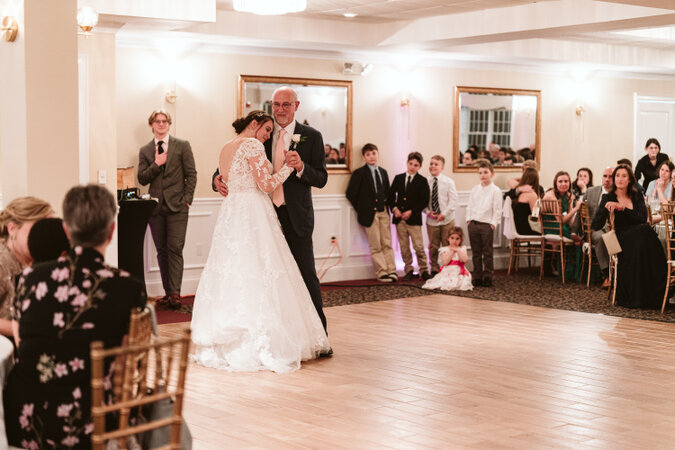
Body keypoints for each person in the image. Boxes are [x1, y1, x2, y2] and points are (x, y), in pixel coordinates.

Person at [4, 184, 146, 449]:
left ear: (67, 230)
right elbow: (126, 366)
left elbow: (23, 347)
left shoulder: (30, 278)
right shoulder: (129, 288)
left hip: (26, 418)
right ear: (111, 231)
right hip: (90, 422)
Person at [191, 111, 330, 373]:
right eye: (266, 130)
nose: (268, 136)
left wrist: (300, 166)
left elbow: (231, 172)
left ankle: (229, 335)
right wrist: (288, 167)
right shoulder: (253, 144)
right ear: (254, 124)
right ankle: (266, 337)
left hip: (233, 213)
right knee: (263, 270)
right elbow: (265, 185)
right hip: (254, 213)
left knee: (235, 270)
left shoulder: (226, 145)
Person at [213, 86, 330, 337]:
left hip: (296, 215)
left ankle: (317, 334)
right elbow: (232, 162)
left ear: (296, 106)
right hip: (261, 216)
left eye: (286, 104)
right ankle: (278, 334)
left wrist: (301, 167)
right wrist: (216, 180)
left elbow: (321, 178)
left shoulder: (311, 136)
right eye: (276, 104)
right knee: (265, 276)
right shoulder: (259, 135)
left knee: (304, 273)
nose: (280, 110)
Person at [137, 108, 197, 308]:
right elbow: (142, 178)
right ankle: (168, 292)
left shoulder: (182, 145)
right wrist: (156, 163)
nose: (161, 124)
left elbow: (191, 174)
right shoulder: (145, 150)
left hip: (178, 206)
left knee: (175, 249)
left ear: (169, 124)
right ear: (152, 125)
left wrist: (187, 199)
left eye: (165, 121)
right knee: (161, 251)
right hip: (155, 208)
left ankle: (176, 294)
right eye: (157, 121)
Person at [591, 165, 666, 308]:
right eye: (617, 175)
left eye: (624, 176)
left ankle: (656, 288)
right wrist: (605, 209)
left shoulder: (636, 195)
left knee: (645, 232)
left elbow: (642, 218)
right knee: (645, 233)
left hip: (639, 236)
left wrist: (622, 208)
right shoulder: (608, 197)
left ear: (630, 179)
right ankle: (647, 290)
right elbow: (596, 224)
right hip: (621, 237)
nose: (620, 179)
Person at [0, 197, 53, 338]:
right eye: (36, 230)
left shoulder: (41, 260)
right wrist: (22, 330)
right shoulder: (2, 262)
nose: (43, 237)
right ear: (12, 229)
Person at [346, 143, 397, 282]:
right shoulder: (359, 173)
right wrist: (362, 209)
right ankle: (382, 271)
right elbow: (351, 194)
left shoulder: (383, 172)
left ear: (378, 154)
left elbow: (388, 193)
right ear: (364, 157)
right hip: (370, 214)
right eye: (368, 154)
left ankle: (392, 270)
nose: (372, 157)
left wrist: (391, 208)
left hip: (383, 212)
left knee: (387, 242)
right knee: (376, 244)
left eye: (374, 153)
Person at [387, 152, 430, 281]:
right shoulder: (398, 178)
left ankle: (424, 270)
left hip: (414, 219)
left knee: (418, 246)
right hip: (400, 219)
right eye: (410, 164)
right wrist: (395, 209)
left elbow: (424, 200)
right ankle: (409, 269)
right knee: (404, 247)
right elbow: (390, 196)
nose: (412, 167)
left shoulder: (422, 181)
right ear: (407, 163)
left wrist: (412, 211)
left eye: (416, 165)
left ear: (420, 166)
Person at [466, 159, 502, 287]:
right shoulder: (475, 189)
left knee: (487, 252)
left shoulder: (495, 190)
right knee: (476, 253)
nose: (483, 175)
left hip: (487, 224)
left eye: (485, 172)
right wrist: (468, 220)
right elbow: (470, 206)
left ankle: (488, 276)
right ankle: (477, 276)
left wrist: (493, 224)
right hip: (473, 223)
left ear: (492, 173)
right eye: (480, 173)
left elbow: (497, 209)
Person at [424, 155, 458, 277]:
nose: (433, 166)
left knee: (447, 245)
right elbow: (422, 201)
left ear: (442, 167)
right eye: (431, 164)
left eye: (436, 164)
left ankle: (448, 268)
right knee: (433, 246)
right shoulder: (425, 182)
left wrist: (444, 214)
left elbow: (453, 201)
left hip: (447, 220)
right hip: (432, 221)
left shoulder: (448, 182)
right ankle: (434, 268)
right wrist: (428, 212)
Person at [585, 166, 614, 287]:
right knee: (603, 238)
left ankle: (617, 275)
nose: (607, 179)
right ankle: (607, 274)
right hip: (595, 228)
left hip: (612, 228)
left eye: (610, 177)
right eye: (605, 176)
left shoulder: (618, 193)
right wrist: (575, 232)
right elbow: (581, 213)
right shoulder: (591, 191)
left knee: (614, 238)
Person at [422, 227, 472, 291]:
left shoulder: (462, 248)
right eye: (452, 238)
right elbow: (445, 263)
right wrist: (452, 252)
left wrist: (458, 250)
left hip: (459, 270)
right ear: (448, 238)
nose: (454, 241)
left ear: (461, 240)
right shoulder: (445, 249)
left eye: (457, 239)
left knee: (463, 281)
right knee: (445, 280)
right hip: (448, 270)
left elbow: (465, 260)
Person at [543, 171, 582, 239]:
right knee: (576, 237)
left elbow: (570, 220)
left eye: (566, 181)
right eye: (560, 181)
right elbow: (560, 221)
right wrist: (576, 209)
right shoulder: (551, 196)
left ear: (569, 183)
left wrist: (575, 229)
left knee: (580, 231)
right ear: (556, 183)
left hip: (562, 225)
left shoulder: (568, 195)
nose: (563, 184)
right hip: (551, 226)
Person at [511, 168, 541, 236]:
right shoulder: (532, 195)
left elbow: (510, 181)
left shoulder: (519, 192)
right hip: (527, 228)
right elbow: (536, 216)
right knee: (551, 229)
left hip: (518, 227)